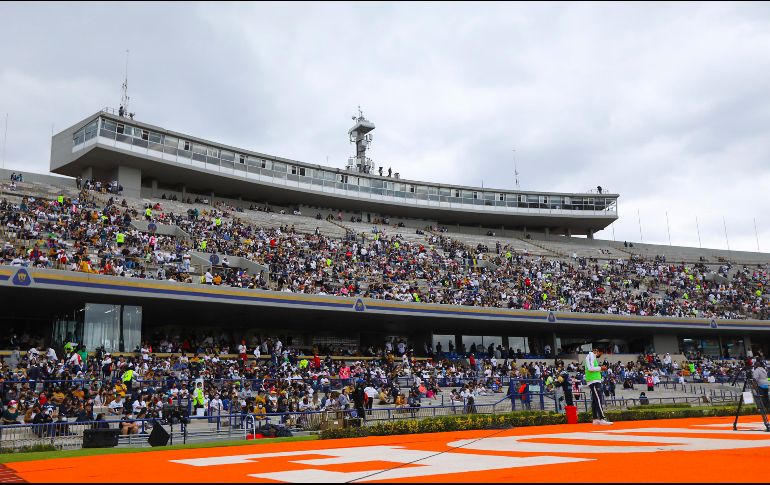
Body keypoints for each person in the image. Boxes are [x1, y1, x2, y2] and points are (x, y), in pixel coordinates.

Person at [585, 347, 612, 425]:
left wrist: (600, 368)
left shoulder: (592, 357)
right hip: (593, 381)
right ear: (597, 351)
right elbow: (590, 368)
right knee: (599, 399)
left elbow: (592, 368)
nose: (600, 355)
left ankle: (595, 419)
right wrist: (601, 368)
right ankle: (602, 418)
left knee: (595, 400)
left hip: (594, 380)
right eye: (600, 353)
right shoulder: (590, 356)